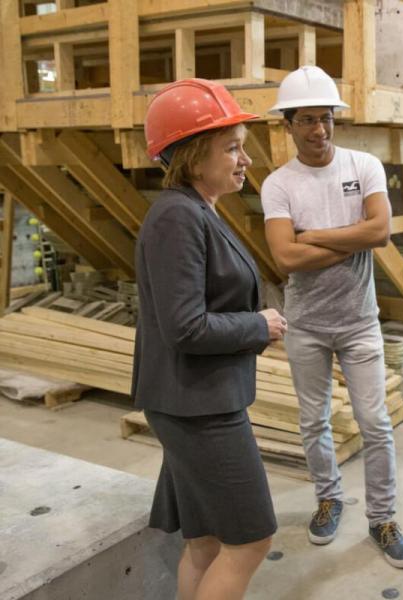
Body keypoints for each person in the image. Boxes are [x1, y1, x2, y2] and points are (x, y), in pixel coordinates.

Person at [132, 78, 287, 600]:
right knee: (251, 540)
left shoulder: (196, 209)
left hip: (193, 400)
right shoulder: (178, 216)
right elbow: (185, 326)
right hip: (199, 409)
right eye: (232, 148)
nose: (245, 159)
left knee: (203, 543)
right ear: (195, 155)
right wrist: (258, 326)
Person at [260, 66, 403, 568]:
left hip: (358, 321)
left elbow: (380, 233)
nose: (319, 130)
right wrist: (349, 236)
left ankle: (382, 518)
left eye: (325, 119)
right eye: (306, 120)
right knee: (314, 421)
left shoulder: (363, 165)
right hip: (305, 323)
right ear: (288, 124)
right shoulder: (278, 184)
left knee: (375, 422)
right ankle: (329, 499)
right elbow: (284, 258)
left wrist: (313, 236)